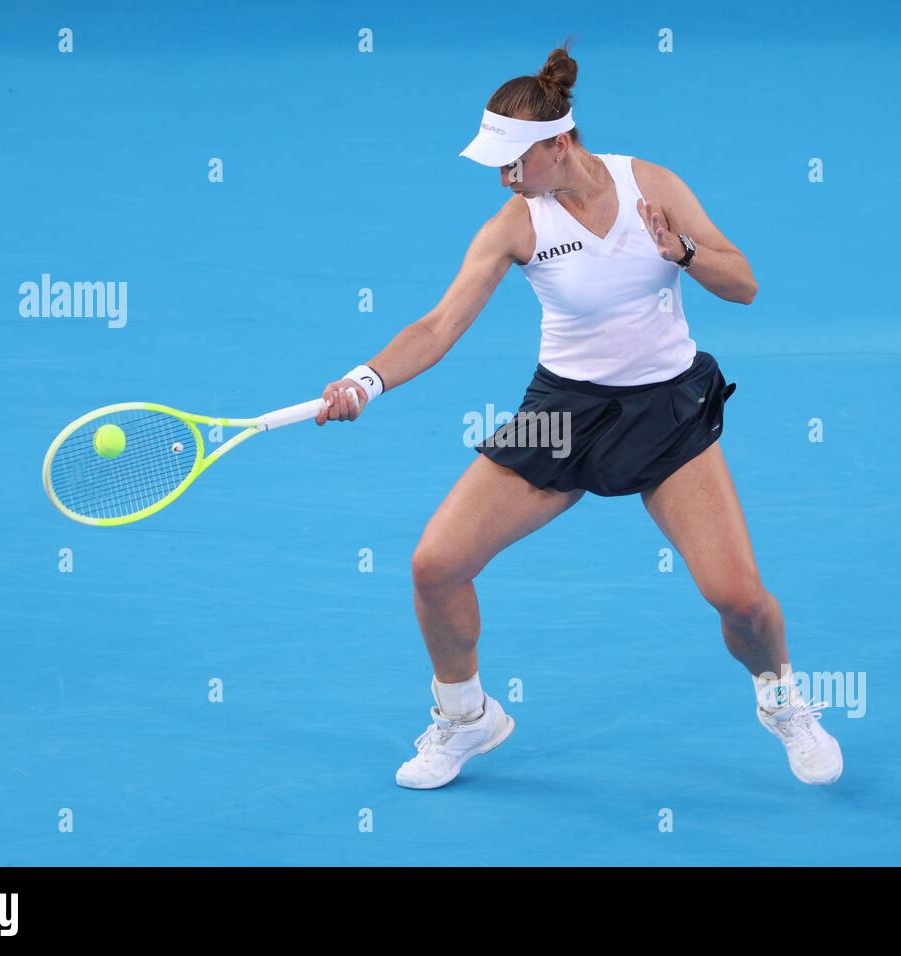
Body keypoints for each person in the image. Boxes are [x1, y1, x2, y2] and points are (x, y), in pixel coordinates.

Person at [316, 45, 843, 790]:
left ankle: (783, 703)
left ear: (560, 145)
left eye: (515, 162)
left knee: (740, 600)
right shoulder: (515, 224)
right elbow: (437, 328)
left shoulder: (650, 185)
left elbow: (745, 284)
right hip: (560, 414)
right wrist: (365, 381)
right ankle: (467, 718)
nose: (504, 178)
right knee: (435, 565)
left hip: (667, 411)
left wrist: (683, 251)